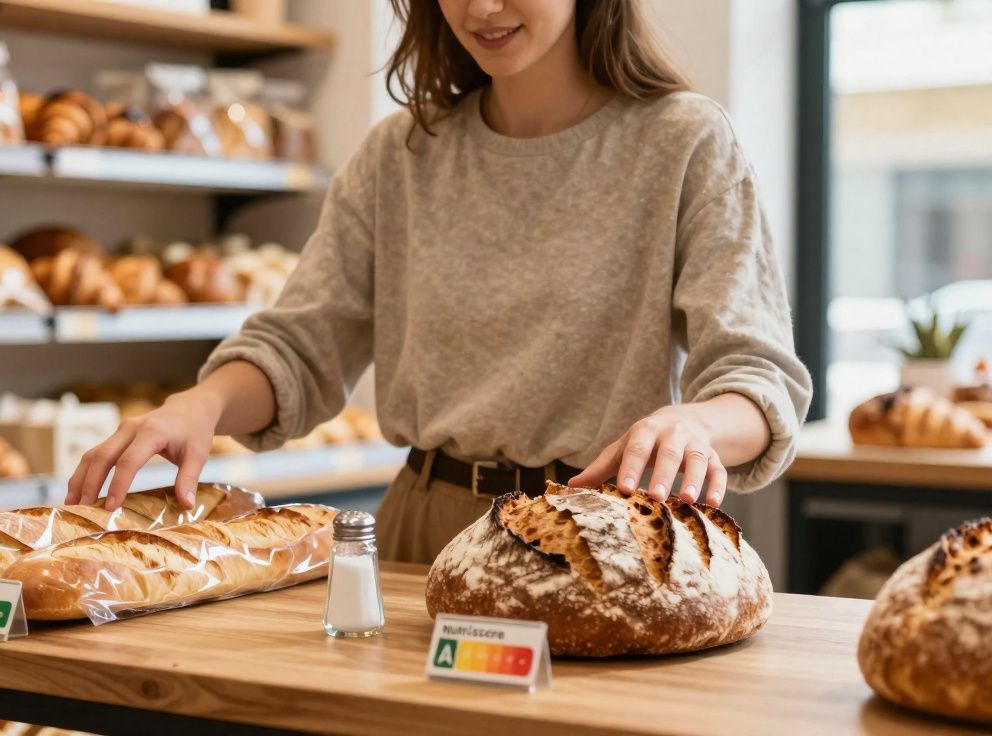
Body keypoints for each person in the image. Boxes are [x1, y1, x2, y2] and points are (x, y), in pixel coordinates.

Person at [68, 0, 813, 564]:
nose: (480, 7)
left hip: (597, 540)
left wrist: (694, 423)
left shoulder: (682, 141)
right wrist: (200, 405)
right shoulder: (398, 155)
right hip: (421, 536)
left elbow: (759, 381)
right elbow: (299, 347)